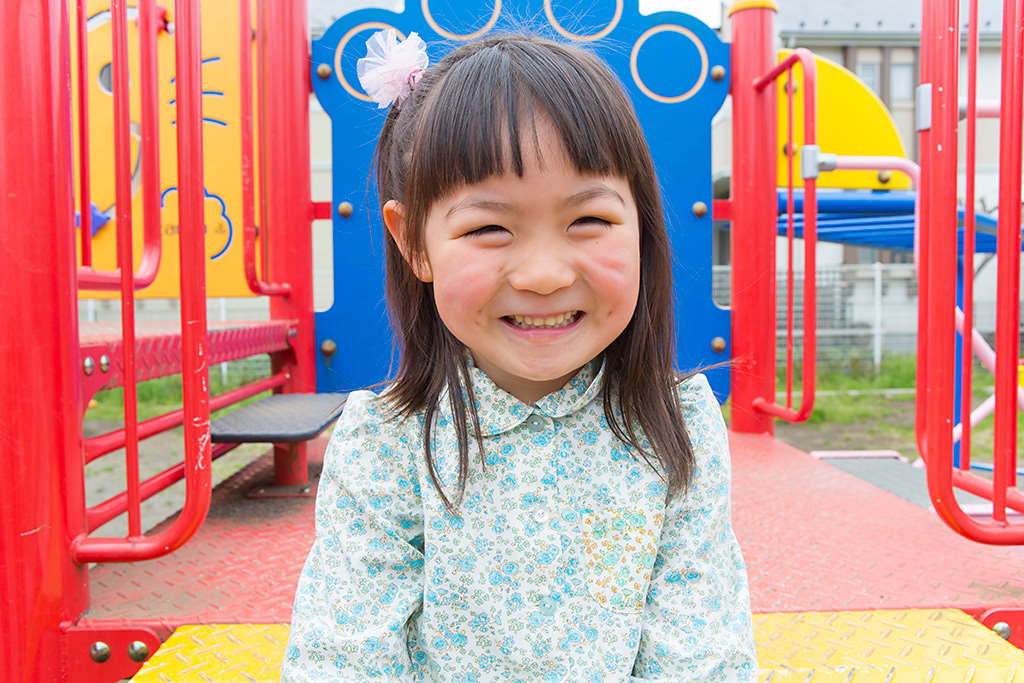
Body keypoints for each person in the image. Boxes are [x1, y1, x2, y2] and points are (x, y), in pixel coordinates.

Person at [283, 29, 757, 682]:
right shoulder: (385, 441)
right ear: (414, 241)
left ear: (642, 225)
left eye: (588, 220)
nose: (542, 273)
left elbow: (699, 651)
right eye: (489, 228)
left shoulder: (678, 423)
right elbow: (345, 655)